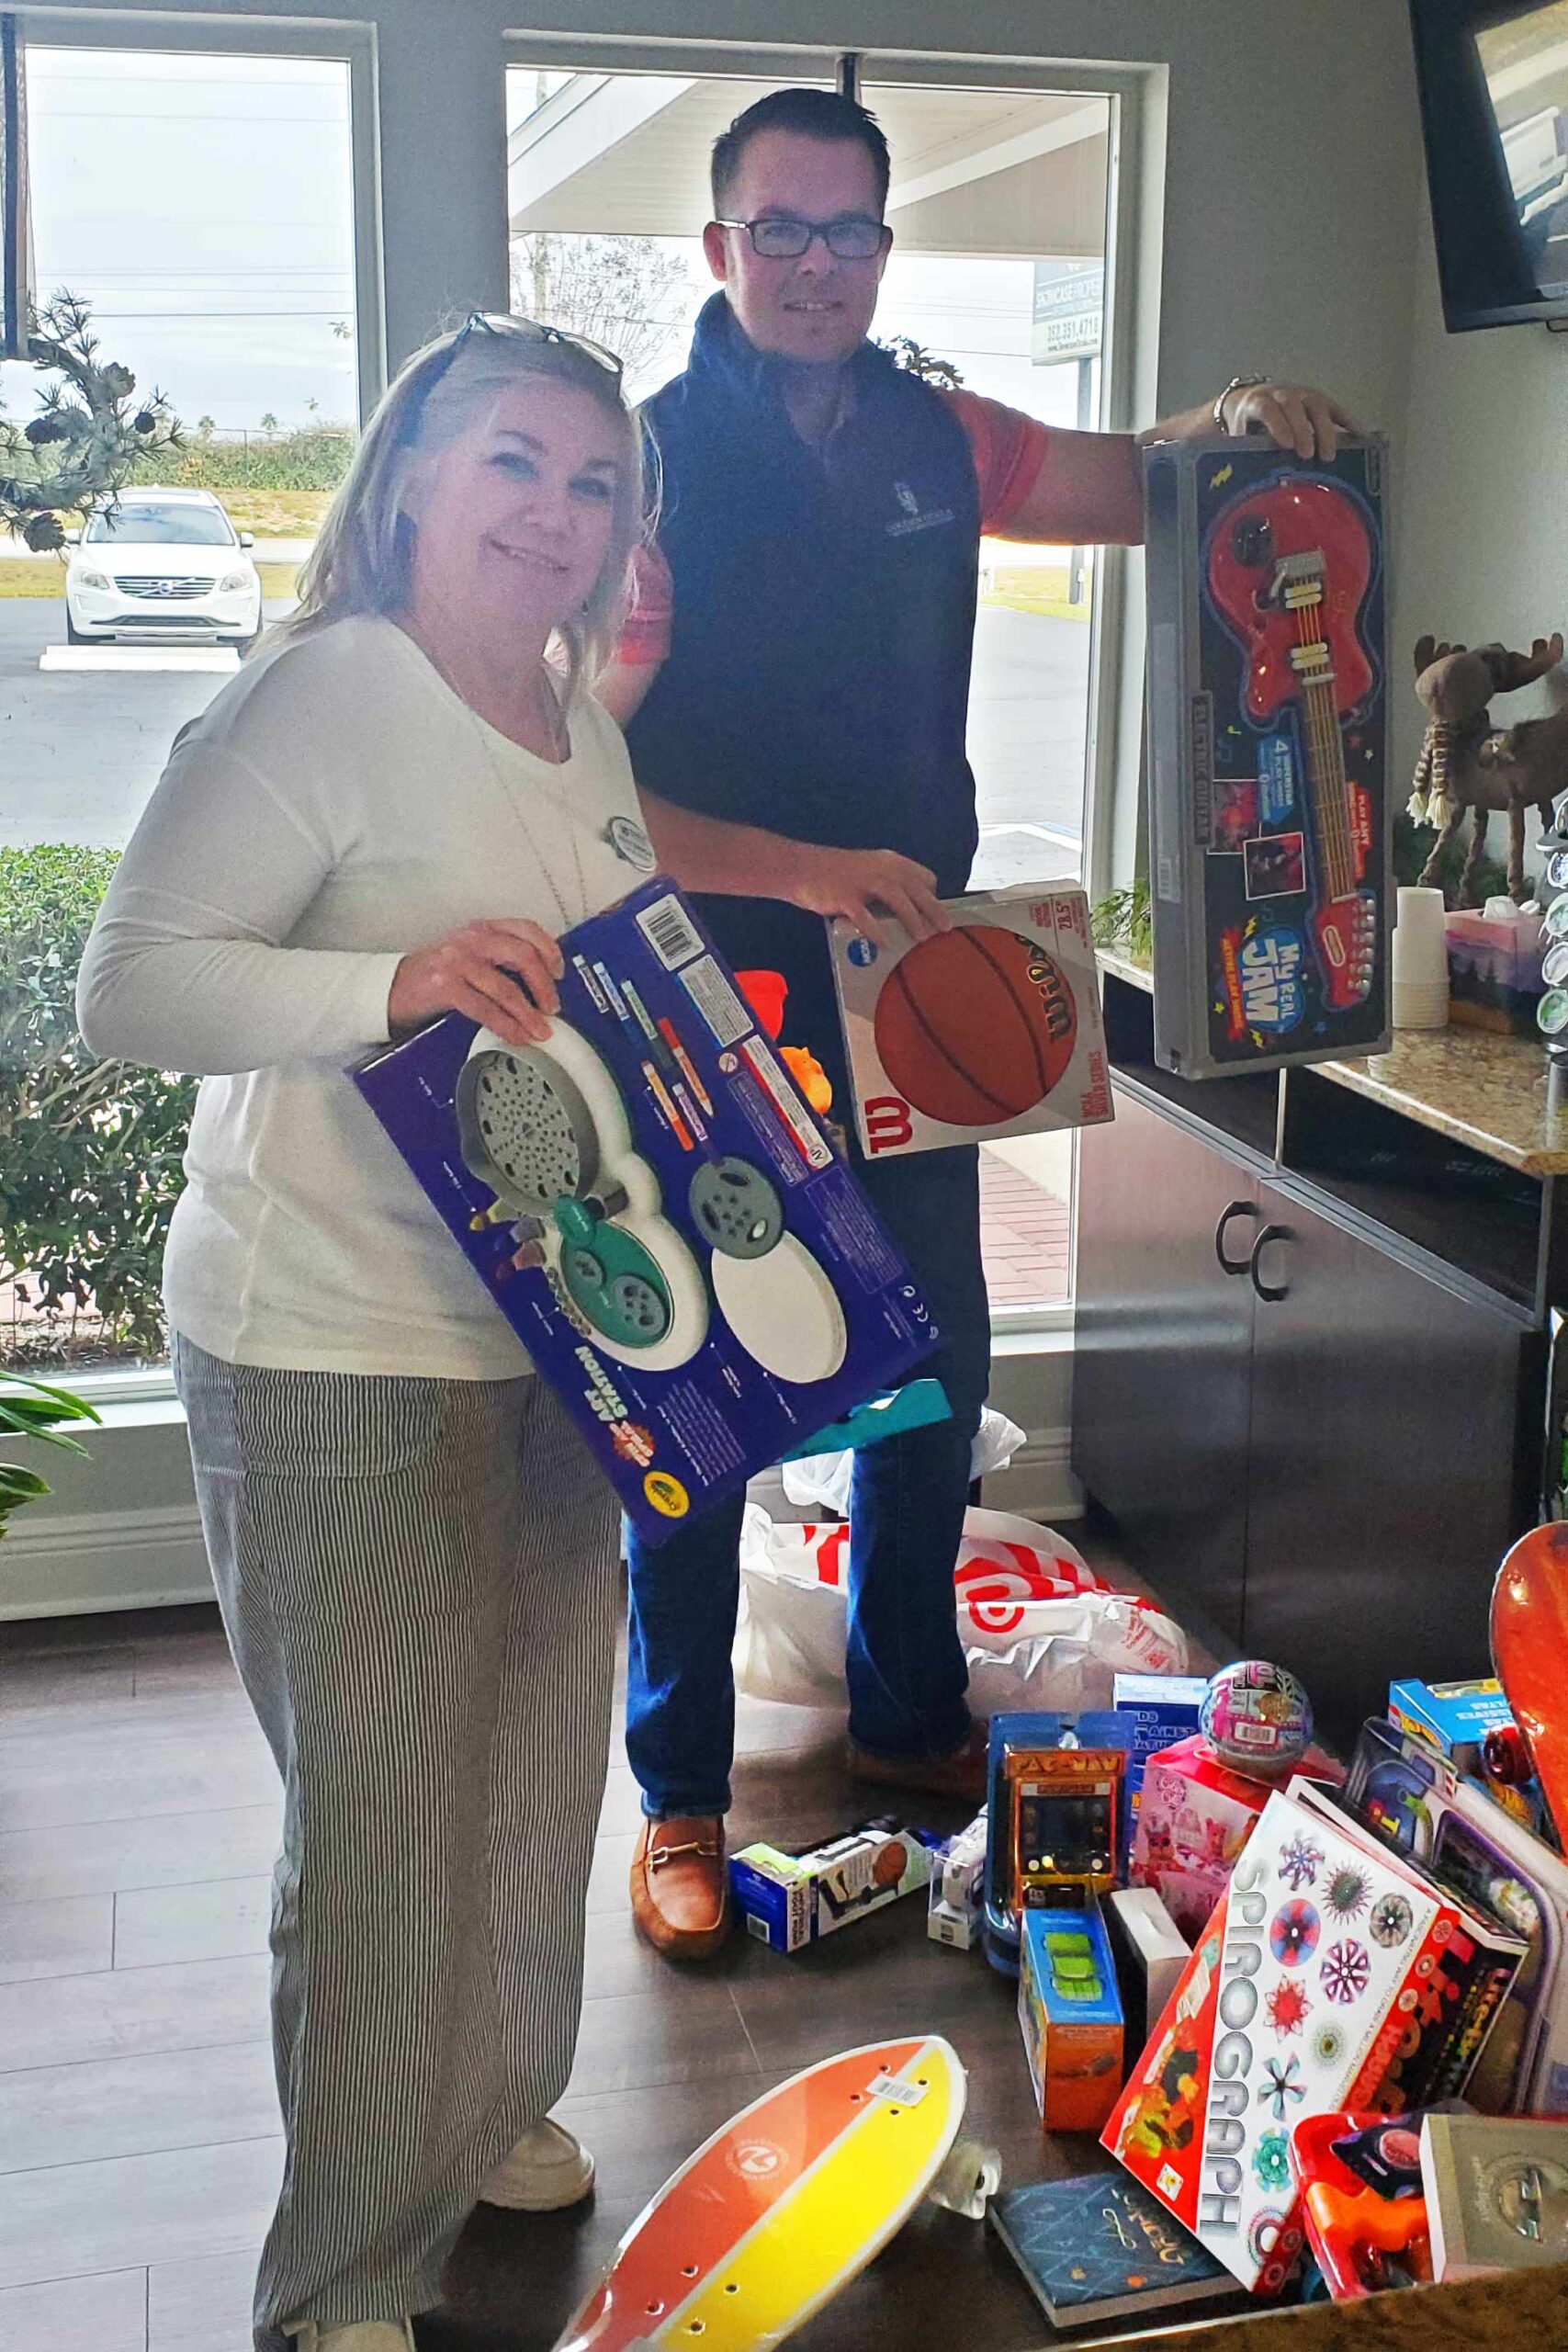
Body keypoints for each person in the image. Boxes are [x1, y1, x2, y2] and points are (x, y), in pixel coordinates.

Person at [595, 85, 1362, 1961]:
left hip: (905, 978)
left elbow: (1134, 484)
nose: (807, 265)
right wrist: (799, 863)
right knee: (699, 1399)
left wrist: (1238, 425)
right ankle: (679, 1791)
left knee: (929, 1367)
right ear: (716, 250)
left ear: (880, 248)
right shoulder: (637, 465)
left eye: (842, 232)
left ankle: (909, 1710)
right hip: (708, 978)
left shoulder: (940, 434)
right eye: (772, 230)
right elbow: (589, 790)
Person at [76, 316, 653, 2352]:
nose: (552, 514)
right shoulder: (322, 694)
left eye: (591, 482)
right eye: (513, 463)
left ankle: (487, 2103)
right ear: (409, 472)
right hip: (328, 1335)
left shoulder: (575, 714)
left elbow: (586, 1005)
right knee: (386, 1813)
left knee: (526, 1760)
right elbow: (129, 985)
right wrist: (386, 981)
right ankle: (343, 2264)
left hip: (550, 1331)